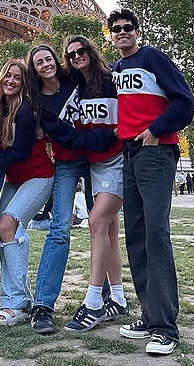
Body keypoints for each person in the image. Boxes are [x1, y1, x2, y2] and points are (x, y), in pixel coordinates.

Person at [108, 9, 194, 357]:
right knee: (138, 234)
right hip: (129, 154)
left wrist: (155, 131)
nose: (122, 33)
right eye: (116, 29)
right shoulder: (117, 70)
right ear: (111, 34)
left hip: (154, 152)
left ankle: (165, 328)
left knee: (156, 234)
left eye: (128, 28)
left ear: (138, 31)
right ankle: (149, 314)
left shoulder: (153, 57)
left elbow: (185, 102)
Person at [26, 44, 116, 335]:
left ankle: (105, 294)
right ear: (34, 69)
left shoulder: (74, 80)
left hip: (95, 161)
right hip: (68, 161)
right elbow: (68, 136)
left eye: (48, 58)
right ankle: (43, 305)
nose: (45, 64)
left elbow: (103, 80)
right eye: (38, 62)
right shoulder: (39, 102)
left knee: (102, 227)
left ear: (56, 60)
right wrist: (104, 139)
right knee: (60, 229)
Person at [0, 59, 54, 327]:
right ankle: (21, 297)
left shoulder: (25, 111)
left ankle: (14, 303)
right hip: (15, 178)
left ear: (24, 83)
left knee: (8, 226)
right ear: (0, 77)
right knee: (4, 230)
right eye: (8, 75)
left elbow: (20, 153)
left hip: (38, 175)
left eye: (18, 77)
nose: (11, 81)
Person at [59, 35, 127, 333]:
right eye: (71, 54)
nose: (77, 56)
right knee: (109, 227)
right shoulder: (76, 90)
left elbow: (131, 112)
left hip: (119, 159)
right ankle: (120, 298)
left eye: (81, 50)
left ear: (91, 50)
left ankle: (94, 300)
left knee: (97, 223)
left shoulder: (112, 79)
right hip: (95, 164)